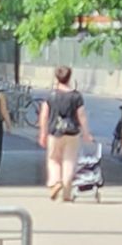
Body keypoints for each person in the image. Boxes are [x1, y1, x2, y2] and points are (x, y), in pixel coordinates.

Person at [39, 67, 88, 201]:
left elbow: (44, 115)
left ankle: (56, 182)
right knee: (69, 160)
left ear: (57, 77)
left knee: (53, 159)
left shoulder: (51, 95)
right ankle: (66, 193)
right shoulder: (76, 96)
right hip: (72, 132)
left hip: (55, 132)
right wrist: (86, 133)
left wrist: (43, 133)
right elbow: (81, 115)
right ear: (69, 77)